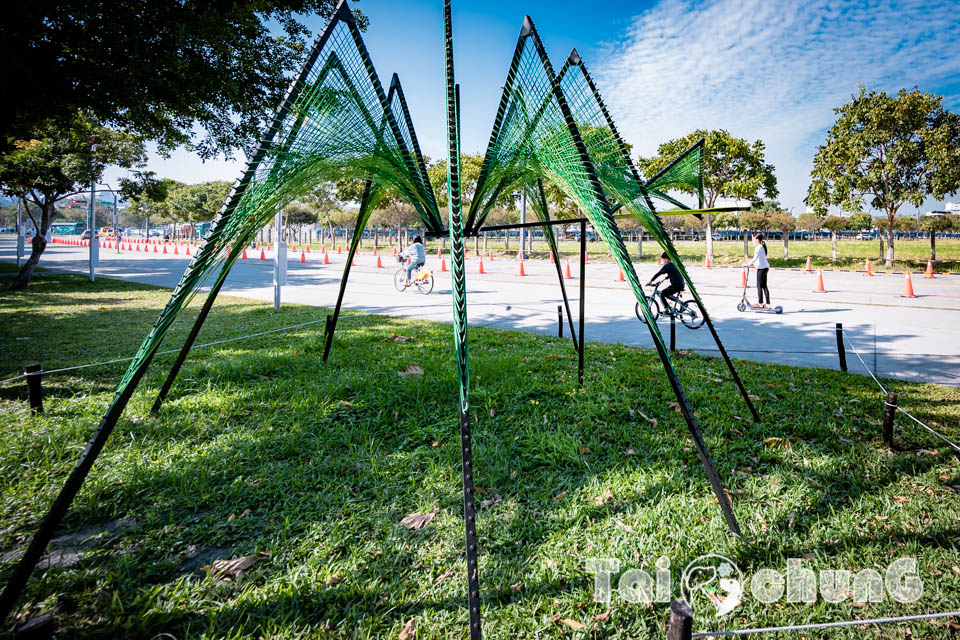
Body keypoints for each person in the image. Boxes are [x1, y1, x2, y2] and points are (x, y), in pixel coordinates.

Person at [745, 233, 770, 308]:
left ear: (757, 240)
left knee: (759, 286)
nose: (753, 241)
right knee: (764, 286)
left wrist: (748, 264)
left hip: (762, 268)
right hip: (765, 267)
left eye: (753, 239)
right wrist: (754, 265)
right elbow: (760, 258)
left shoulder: (758, 247)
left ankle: (760, 303)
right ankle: (768, 304)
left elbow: (755, 258)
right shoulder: (761, 246)